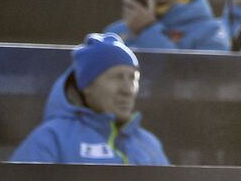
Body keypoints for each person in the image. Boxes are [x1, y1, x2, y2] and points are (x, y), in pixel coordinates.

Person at [10, 33, 168, 165]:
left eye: (133, 78)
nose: (128, 90)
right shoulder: (52, 138)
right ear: (87, 87)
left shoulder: (149, 144)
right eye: (117, 77)